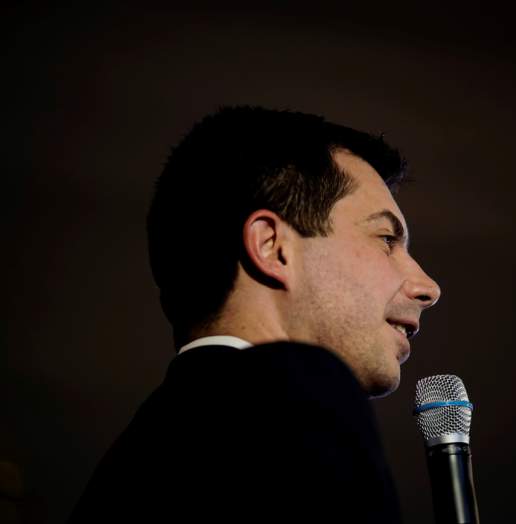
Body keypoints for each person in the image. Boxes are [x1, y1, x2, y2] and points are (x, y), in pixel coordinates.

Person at [67, 106, 441, 523]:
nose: (428, 287)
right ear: (272, 246)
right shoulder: (302, 394)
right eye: (386, 238)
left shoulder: (131, 459)